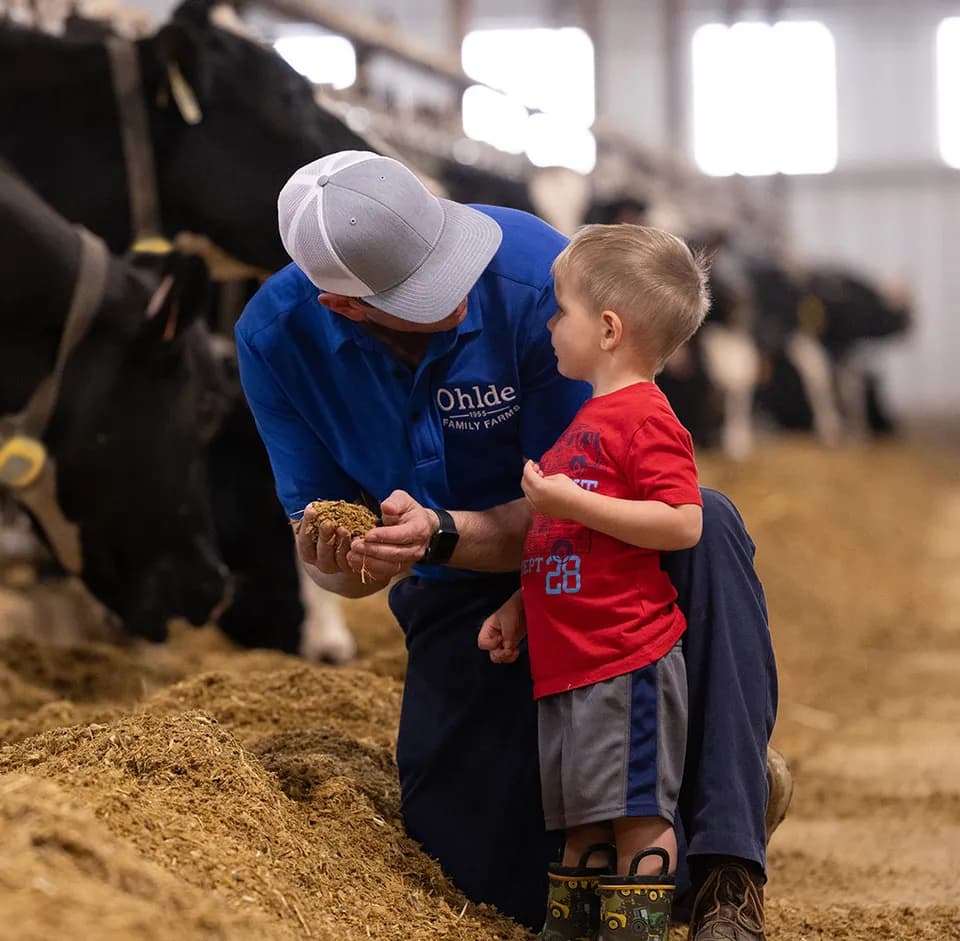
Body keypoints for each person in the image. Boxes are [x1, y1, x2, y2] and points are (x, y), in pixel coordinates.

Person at [235, 150, 780, 940]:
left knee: (708, 518)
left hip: (596, 562)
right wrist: (349, 558)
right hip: (458, 597)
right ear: (345, 306)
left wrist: (443, 531)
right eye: (425, 294)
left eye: (448, 263)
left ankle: (730, 861)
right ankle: (683, 802)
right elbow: (326, 549)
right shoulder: (275, 339)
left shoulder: (538, 274)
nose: (456, 294)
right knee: (483, 875)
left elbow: (609, 498)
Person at [476, 223, 710, 940]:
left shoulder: (644, 417)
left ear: (608, 330)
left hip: (626, 662)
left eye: (561, 309)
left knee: (639, 820)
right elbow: (572, 535)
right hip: (570, 665)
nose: (548, 322)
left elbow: (682, 521)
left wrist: (568, 501)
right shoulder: (585, 421)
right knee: (583, 825)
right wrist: (520, 602)